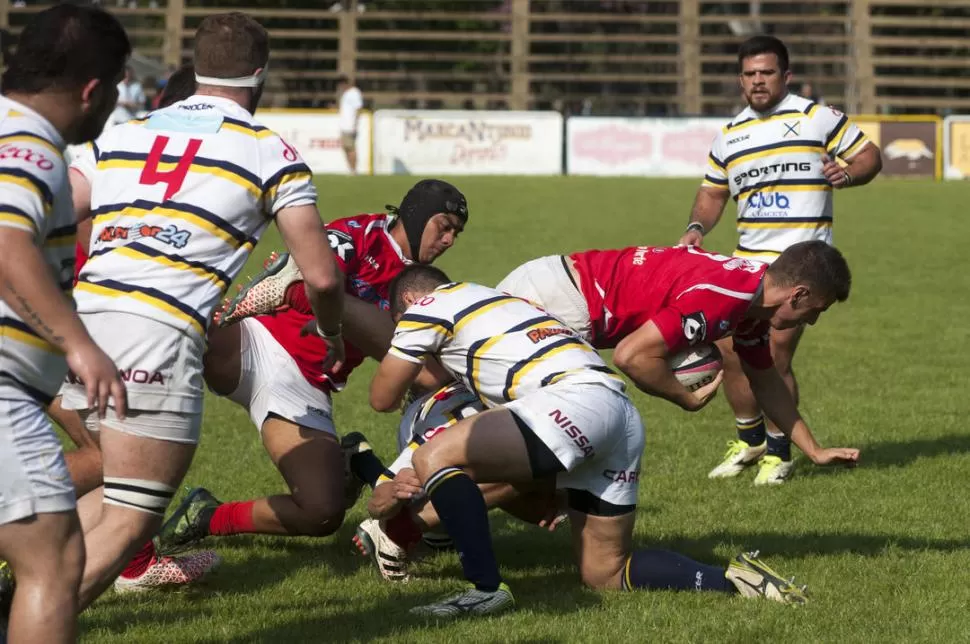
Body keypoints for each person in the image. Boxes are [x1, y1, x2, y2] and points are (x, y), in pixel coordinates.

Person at [57, 12, 346, 611]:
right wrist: (332, 331)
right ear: (260, 75)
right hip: (157, 330)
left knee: (113, 490)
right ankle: (27, 618)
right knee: (133, 513)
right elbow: (320, 274)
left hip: (80, 321)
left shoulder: (124, 131)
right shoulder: (271, 150)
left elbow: (53, 208)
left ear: (193, 69)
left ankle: (25, 590)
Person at [368, 264, 810, 619]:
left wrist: (414, 351)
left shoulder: (424, 307)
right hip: (618, 411)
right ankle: (733, 579)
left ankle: (486, 589)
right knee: (605, 571)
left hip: (572, 400)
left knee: (435, 455)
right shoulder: (498, 299)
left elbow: (382, 397)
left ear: (409, 302)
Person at [152, 179, 467, 551]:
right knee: (176, 330)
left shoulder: (427, 286)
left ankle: (206, 515)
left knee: (322, 512)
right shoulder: (359, 234)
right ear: (416, 215)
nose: (448, 240)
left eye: (455, 234)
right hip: (256, 341)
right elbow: (308, 287)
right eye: (443, 227)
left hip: (306, 386)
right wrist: (312, 304)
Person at [41, 63, 219, 595]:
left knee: (110, 450)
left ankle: (113, 562)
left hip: (61, 319)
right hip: (45, 322)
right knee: (108, 455)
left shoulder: (118, 150)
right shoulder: (143, 158)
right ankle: (125, 567)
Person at [678, 35, 881, 484]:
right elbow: (713, 192)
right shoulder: (730, 134)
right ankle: (750, 442)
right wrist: (696, 228)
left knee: (772, 356)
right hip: (747, 262)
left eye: (766, 72)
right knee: (731, 353)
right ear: (739, 80)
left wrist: (847, 173)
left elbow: (870, 155)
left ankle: (781, 452)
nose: (757, 81)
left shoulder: (817, 117)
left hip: (801, 261)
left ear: (785, 76)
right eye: (749, 74)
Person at [495, 242, 861, 470]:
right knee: (553, 433)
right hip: (556, 302)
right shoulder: (726, 297)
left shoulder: (751, 301)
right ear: (797, 295)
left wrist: (814, 450)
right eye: (816, 309)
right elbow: (632, 357)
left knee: (546, 436)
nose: (811, 321)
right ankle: (446, 519)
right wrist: (684, 397)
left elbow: (766, 381)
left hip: (559, 285)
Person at [0, 5, 129, 642]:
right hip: (3, 390)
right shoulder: (29, 146)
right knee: (55, 560)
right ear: (93, 90)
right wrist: (80, 346)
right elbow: (6, 244)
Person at [354, 382, 565, 583]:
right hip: (431, 440)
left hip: (470, 451)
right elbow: (377, 503)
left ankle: (362, 459)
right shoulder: (462, 417)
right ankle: (392, 530)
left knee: (545, 485)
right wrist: (395, 491)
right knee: (532, 480)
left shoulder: (548, 404)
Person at [337, 76, 363, 175]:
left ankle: (354, 170)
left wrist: (355, 124)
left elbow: (358, 108)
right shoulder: (346, 94)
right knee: (346, 148)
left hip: (350, 126)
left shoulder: (354, 93)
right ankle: (350, 168)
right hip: (344, 125)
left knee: (351, 148)